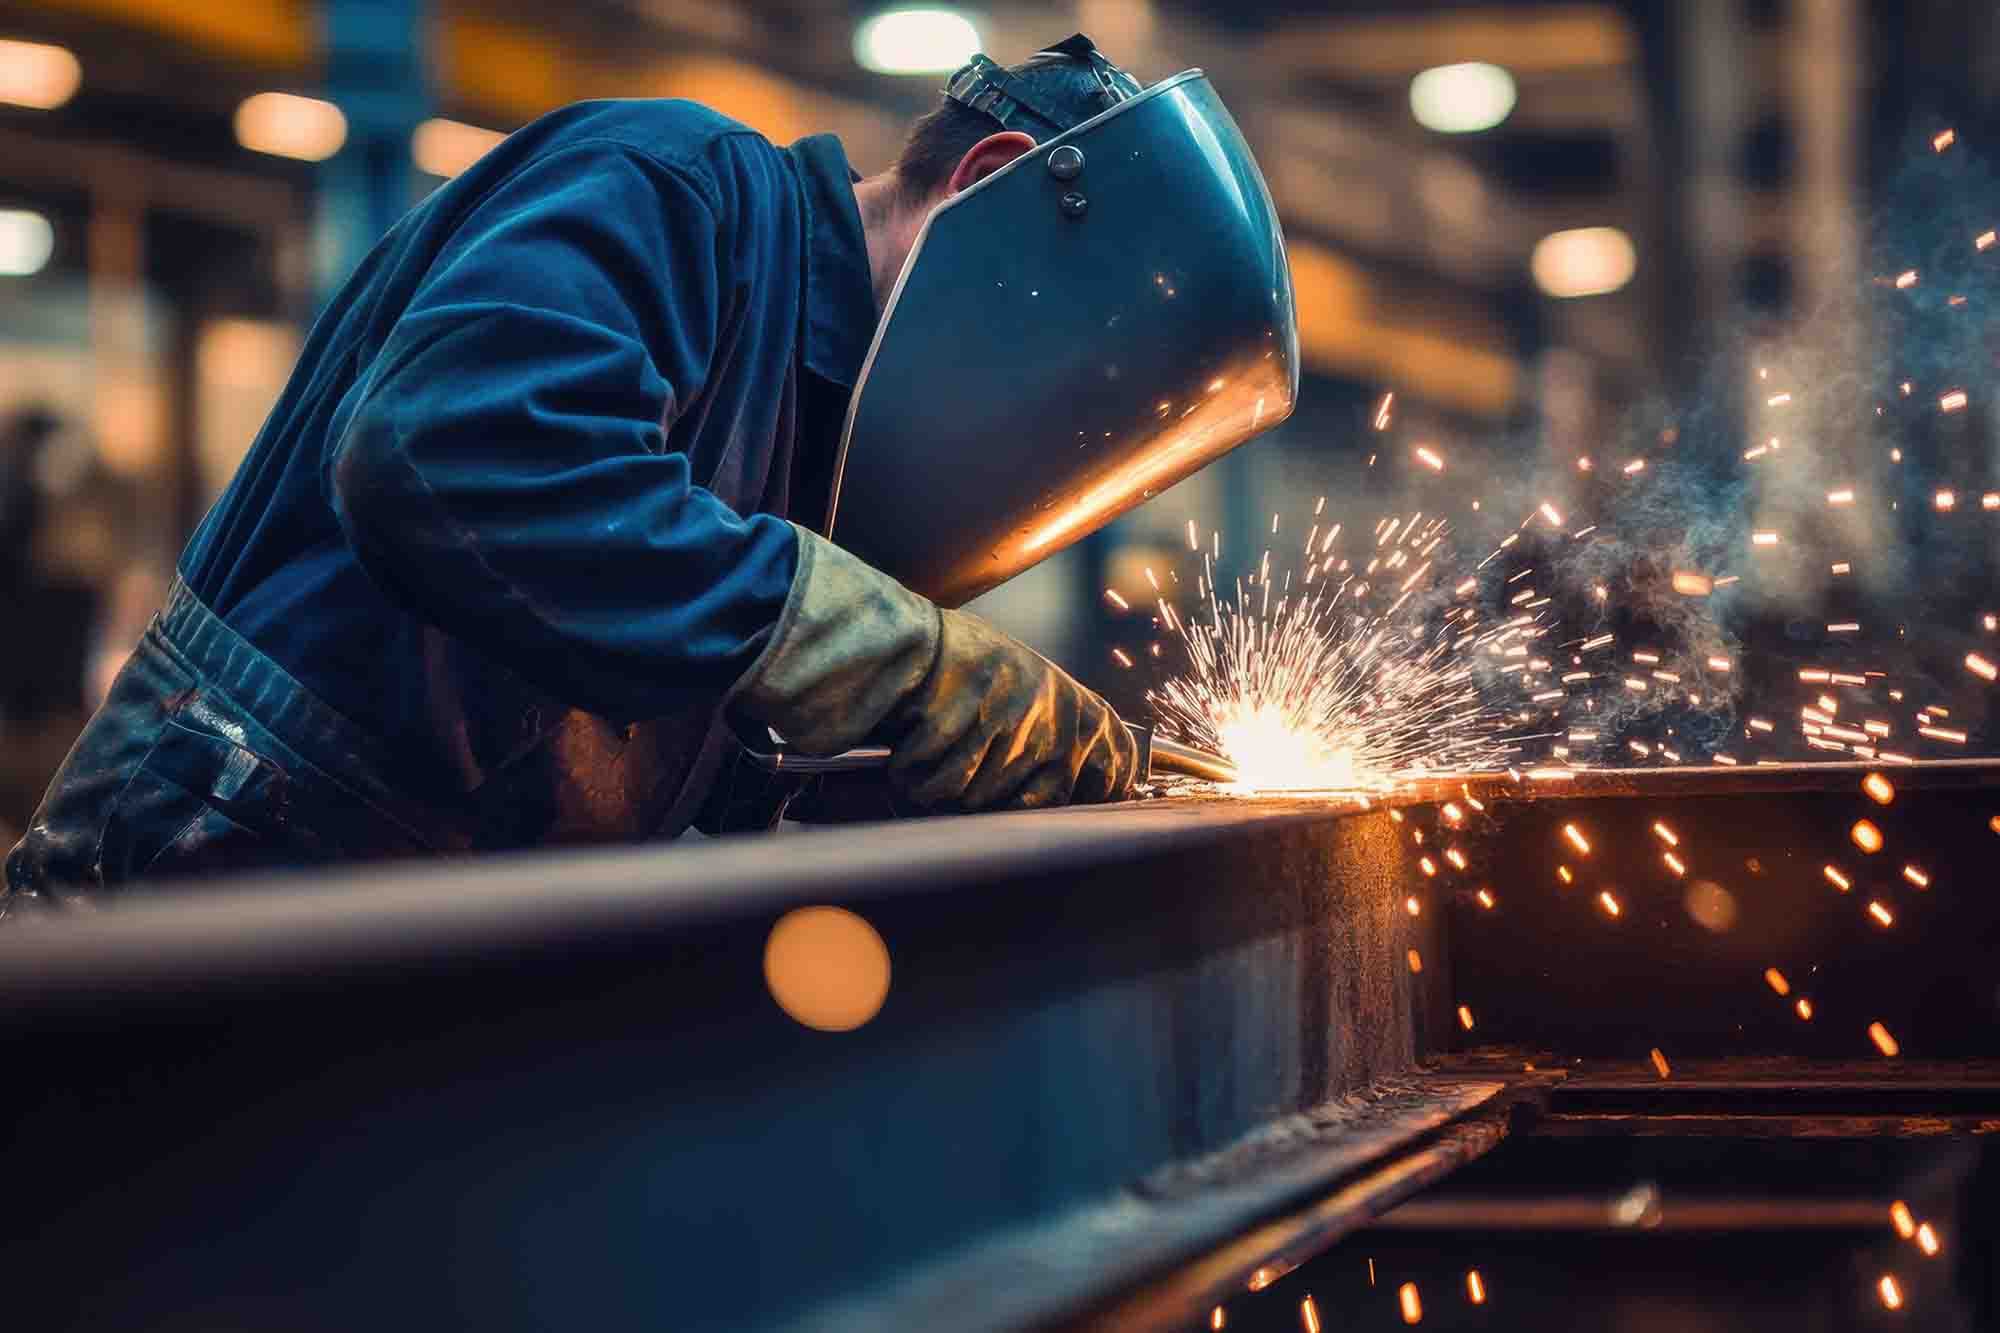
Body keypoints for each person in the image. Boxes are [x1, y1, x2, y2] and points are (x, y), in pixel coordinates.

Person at [5, 34, 1294, 901]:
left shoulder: (810, 432)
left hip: (418, 919)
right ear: (989, 184)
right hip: (214, 869)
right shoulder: (681, 191)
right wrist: (891, 663)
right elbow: (449, 452)